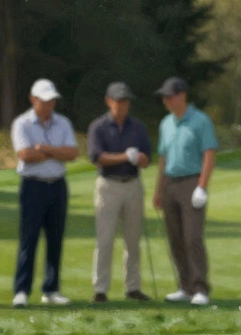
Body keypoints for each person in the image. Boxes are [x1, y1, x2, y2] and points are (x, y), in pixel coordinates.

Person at [10, 79, 79, 307]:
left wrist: (46, 149)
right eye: (45, 101)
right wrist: (55, 153)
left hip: (57, 185)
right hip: (33, 185)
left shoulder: (63, 123)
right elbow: (25, 155)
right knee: (29, 238)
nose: (49, 105)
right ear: (33, 100)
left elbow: (72, 153)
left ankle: (51, 289)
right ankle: (21, 290)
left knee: (55, 238)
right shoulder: (22, 123)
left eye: (52, 101)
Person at [153, 76, 217, 306]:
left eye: (169, 97)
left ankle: (200, 287)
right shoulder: (165, 123)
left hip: (191, 182)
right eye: (164, 98)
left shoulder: (200, 121)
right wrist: (158, 190)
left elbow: (209, 155)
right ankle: (185, 286)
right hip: (170, 183)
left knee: (192, 237)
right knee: (175, 238)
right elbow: (163, 158)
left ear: (182, 96)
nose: (166, 101)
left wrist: (202, 186)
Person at [87, 82, 152, 302]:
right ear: (109, 102)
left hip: (133, 184)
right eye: (119, 101)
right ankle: (100, 289)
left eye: (126, 101)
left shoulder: (138, 127)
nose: (123, 105)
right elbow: (97, 157)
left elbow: (147, 158)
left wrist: (141, 159)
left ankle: (133, 287)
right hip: (108, 185)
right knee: (105, 239)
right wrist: (125, 156)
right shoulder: (99, 126)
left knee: (133, 240)